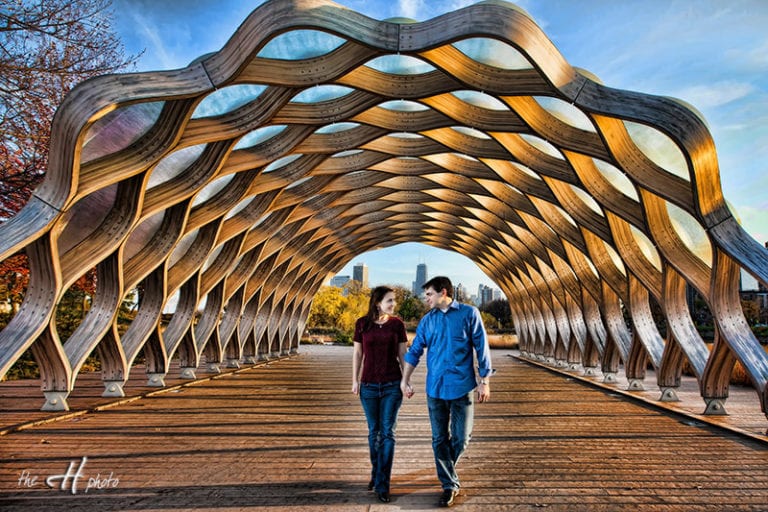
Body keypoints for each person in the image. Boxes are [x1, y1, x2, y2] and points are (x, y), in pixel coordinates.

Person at [400, 276, 492, 508]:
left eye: (429, 294)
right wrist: (405, 380)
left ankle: (446, 470)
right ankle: (449, 485)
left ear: (443, 292)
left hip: (462, 387)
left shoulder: (469, 314)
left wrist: (485, 381)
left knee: (461, 438)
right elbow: (414, 352)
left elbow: (482, 348)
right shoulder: (427, 321)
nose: (426, 299)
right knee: (439, 438)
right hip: (435, 388)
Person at [352, 286, 408, 504]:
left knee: (387, 434)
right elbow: (358, 353)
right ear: (377, 303)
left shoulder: (397, 325)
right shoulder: (362, 324)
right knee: (373, 432)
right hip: (368, 386)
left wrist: (406, 380)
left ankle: (383, 484)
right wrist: (355, 380)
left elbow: (403, 354)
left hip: (392, 385)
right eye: (389, 300)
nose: (393, 304)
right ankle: (377, 472)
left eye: (394, 300)